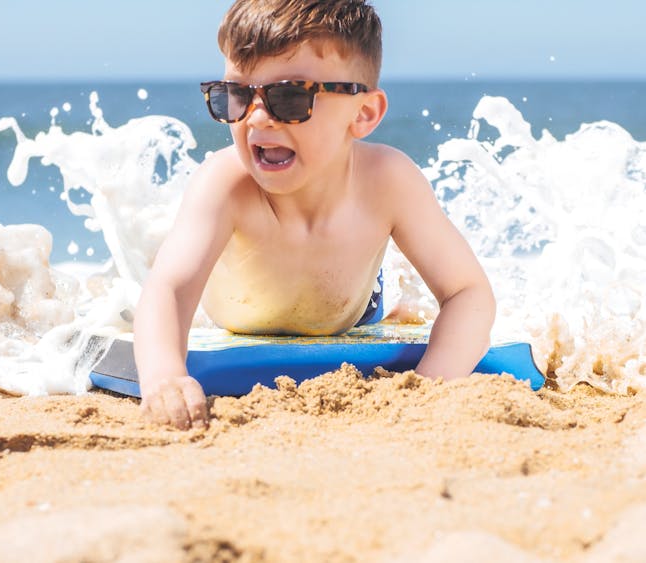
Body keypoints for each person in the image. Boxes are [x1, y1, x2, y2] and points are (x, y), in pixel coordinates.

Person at [134, 0, 496, 429]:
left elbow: (469, 294)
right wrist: (164, 376)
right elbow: (170, 290)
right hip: (238, 313)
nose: (258, 118)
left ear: (363, 113)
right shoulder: (225, 184)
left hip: (354, 312)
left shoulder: (389, 181)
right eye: (235, 96)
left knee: (388, 308)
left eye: (289, 97)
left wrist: (430, 385)